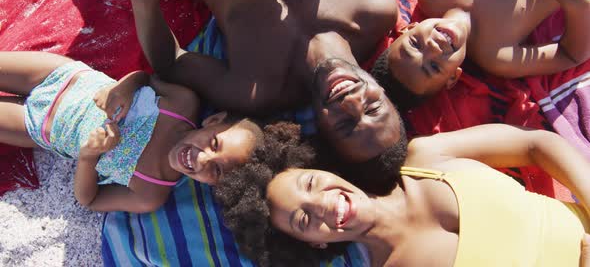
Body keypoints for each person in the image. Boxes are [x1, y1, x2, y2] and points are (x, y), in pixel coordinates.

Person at [126, 0, 406, 164]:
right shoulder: (373, 11)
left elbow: (171, 63)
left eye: (345, 124)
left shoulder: (257, 90)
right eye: (372, 108)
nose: (351, 102)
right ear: (386, 93)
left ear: (321, 129)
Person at [215, 123, 590, 266]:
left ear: (323, 168)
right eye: (304, 220)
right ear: (312, 245)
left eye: (310, 184)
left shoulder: (426, 157)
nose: (322, 205)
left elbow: (534, 144)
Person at [0, 51, 278, 213]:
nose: (203, 159)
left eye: (216, 171)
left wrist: (88, 157)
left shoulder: (151, 192)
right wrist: (122, 87)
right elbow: (147, 78)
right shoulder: (182, 104)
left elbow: (90, 199)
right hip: (64, 77)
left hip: (39, 125)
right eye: (215, 144)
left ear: (216, 186)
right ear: (214, 120)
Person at [372, 0, 590, 98]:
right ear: (453, 77)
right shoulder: (496, 56)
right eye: (434, 67)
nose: (433, 47)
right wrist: (577, 3)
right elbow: (571, 55)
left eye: (415, 43)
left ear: (409, 28)